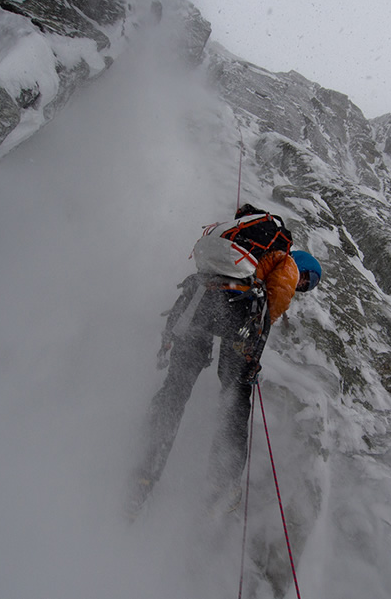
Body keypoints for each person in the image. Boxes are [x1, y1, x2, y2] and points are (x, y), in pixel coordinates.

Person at [128, 204, 322, 516]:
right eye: (306, 281)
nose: (301, 286)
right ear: (303, 268)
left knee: (175, 390)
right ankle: (222, 484)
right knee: (235, 397)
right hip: (238, 315)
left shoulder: (241, 254)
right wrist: (253, 354)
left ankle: (141, 472)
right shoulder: (287, 264)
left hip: (198, 303)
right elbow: (274, 302)